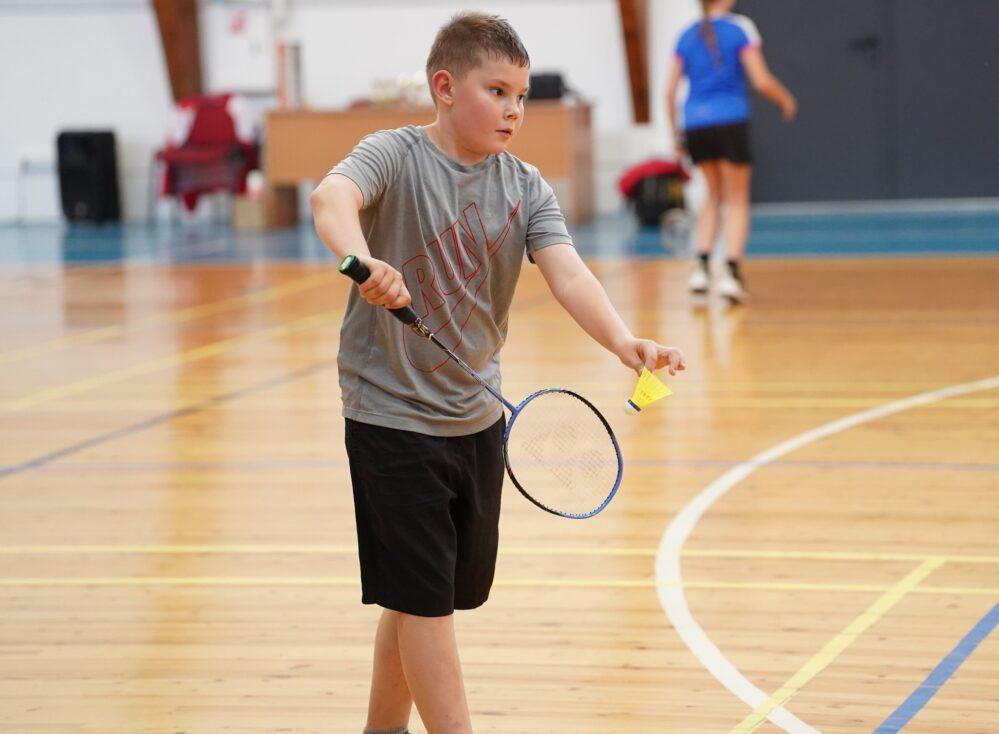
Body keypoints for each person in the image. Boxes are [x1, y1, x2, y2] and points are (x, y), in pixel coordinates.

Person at [310, 11, 686, 734]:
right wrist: (362, 261)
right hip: (390, 417)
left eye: (521, 96)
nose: (514, 109)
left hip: (477, 416)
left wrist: (622, 340)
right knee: (426, 605)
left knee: (419, 597)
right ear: (445, 87)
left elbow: (568, 273)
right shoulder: (394, 155)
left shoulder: (525, 186)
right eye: (497, 91)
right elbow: (331, 199)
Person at [666, 0, 797, 302]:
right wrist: (785, 99)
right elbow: (761, 80)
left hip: (696, 124)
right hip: (730, 120)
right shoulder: (741, 28)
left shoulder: (686, 34)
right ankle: (731, 273)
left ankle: (701, 268)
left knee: (713, 195)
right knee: (736, 199)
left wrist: (677, 137)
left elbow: (669, 91)